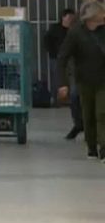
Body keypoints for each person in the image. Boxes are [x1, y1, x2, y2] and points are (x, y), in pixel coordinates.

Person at [56, 0, 105, 161]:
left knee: (102, 113)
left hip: (103, 79)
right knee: (88, 114)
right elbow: (62, 58)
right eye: (101, 13)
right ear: (92, 16)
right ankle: (91, 146)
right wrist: (63, 83)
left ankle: (103, 147)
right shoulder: (76, 33)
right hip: (84, 79)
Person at [47, 9, 82, 140]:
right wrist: (54, 54)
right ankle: (79, 123)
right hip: (63, 61)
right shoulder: (57, 29)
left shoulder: (77, 32)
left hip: (79, 67)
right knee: (73, 93)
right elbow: (48, 41)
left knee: (76, 95)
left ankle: (81, 125)